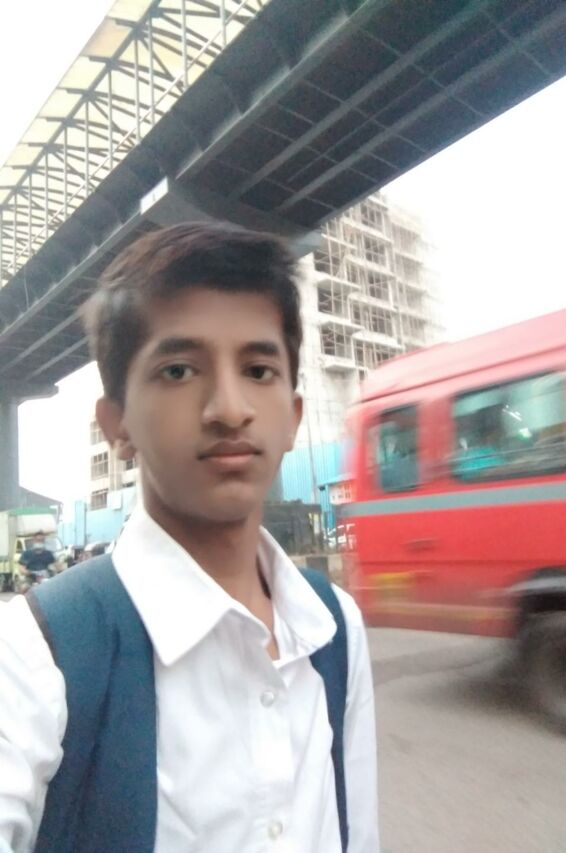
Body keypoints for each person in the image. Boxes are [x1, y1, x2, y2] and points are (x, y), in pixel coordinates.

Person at [0, 222, 379, 852]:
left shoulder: (334, 626)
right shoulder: (35, 653)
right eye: (178, 370)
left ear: (293, 417)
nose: (229, 408)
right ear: (117, 425)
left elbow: (357, 831)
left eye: (259, 369)